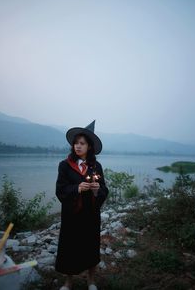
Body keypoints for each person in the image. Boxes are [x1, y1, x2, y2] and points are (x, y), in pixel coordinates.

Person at [55, 120, 109, 290]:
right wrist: (77, 188)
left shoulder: (96, 166)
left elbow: (104, 190)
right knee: (69, 246)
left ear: (89, 147)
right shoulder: (65, 165)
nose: (78, 146)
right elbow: (60, 189)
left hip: (90, 214)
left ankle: (91, 280)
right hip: (71, 214)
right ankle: (68, 282)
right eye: (76, 143)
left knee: (90, 246)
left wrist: (96, 191)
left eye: (82, 143)